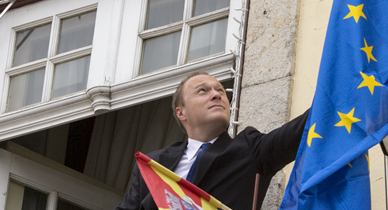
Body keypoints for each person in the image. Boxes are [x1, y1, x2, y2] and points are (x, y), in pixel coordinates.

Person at [115, 72, 309, 210]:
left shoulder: (250, 149)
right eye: (202, 91)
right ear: (180, 112)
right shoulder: (153, 164)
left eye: (221, 91)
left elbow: (300, 131)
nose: (217, 94)